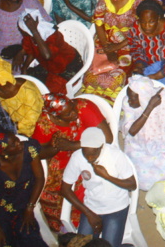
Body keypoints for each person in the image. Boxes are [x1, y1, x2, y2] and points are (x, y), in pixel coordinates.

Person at [31, 94, 112, 232]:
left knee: (85, 187)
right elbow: (38, 153)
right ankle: (66, 225)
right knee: (48, 190)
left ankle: (86, 220)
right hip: (60, 160)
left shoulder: (83, 107)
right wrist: (55, 147)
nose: (74, 113)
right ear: (56, 117)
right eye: (68, 113)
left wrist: (74, 145)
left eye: (72, 107)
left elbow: (108, 138)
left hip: (87, 154)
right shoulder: (44, 123)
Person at [61, 127, 136, 247]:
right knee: (82, 245)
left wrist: (107, 176)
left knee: (107, 245)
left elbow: (132, 184)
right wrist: (89, 213)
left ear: (101, 147)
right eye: (86, 154)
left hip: (116, 208)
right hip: (91, 207)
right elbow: (65, 189)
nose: (89, 158)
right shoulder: (77, 157)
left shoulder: (115, 155)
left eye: (93, 154)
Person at [0, 125, 48, 247]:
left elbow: (39, 178)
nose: (19, 143)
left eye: (16, 139)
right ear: (2, 152)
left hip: (24, 205)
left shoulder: (29, 150)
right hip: (2, 211)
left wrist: (29, 207)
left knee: (29, 237)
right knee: (1, 240)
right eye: (13, 144)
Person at [121, 76, 165, 190]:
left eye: (133, 98)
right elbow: (133, 131)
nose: (129, 101)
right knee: (142, 180)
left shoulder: (164, 99)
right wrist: (149, 107)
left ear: (144, 96)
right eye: (129, 96)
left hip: (161, 137)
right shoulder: (129, 104)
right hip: (139, 143)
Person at [84, 0, 144, 101]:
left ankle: (114, 104)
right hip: (103, 39)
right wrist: (106, 47)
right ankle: (94, 102)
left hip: (128, 43)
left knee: (116, 77)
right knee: (91, 74)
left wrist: (117, 48)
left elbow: (139, 29)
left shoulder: (138, 0)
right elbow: (98, 22)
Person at [13, 9, 84, 94]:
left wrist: (34, 31)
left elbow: (47, 55)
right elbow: (33, 51)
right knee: (26, 83)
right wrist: (24, 67)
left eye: (20, 28)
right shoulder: (29, 36)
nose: (19, 30)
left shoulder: (52, 36)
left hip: (67, 68)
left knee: (48, 94)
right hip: (50, 67)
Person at [0, 56, 44, 136]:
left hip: (29, 131)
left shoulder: (28, 92)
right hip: (5, 131)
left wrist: (13, 130)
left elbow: (32, 120)